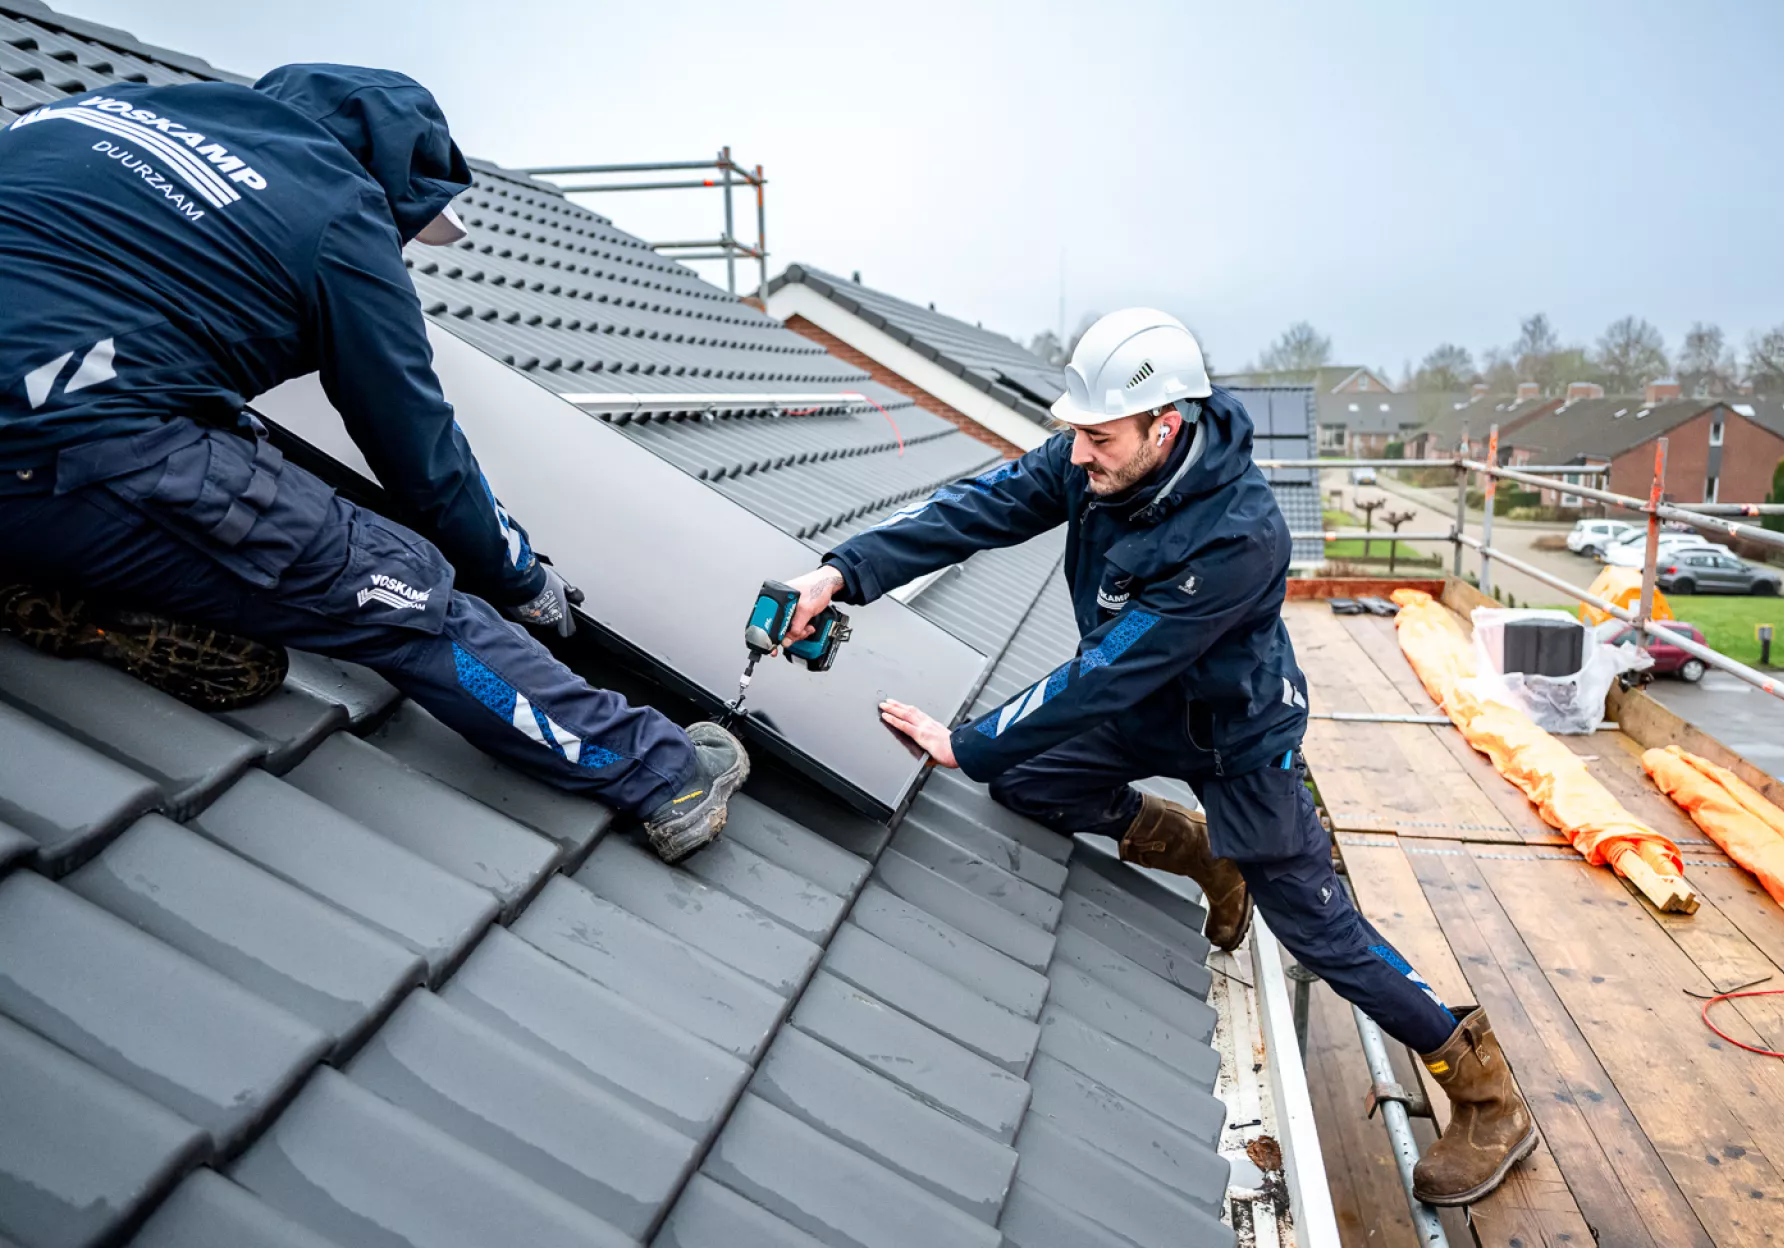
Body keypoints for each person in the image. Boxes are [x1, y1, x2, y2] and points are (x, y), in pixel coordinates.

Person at [772, 308, 1536, 1206]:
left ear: (1163, 427)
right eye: (1075, 435)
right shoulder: (1095, 459)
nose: (1078, 454)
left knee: (1321, 933)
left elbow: (1105, 670)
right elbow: (973, 510)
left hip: (1238, 737)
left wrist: (966, 741)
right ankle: (1202, 853)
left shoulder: (1238, 535)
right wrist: (840, 571)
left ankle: (1485, 1093)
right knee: (1026, 780)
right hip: (1145, 706)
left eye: (1098, 437)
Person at [0, 65, 746, 862]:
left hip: (49, 433)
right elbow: (415, 443)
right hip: (61, 450)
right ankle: (657, 772)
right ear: (388, 175)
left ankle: (65, 573)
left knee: (216, 432)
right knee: (410, 594)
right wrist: (517, 575)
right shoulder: (338, 209)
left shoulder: (99, 106)